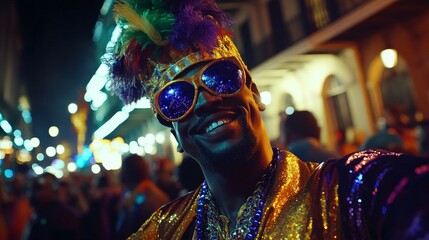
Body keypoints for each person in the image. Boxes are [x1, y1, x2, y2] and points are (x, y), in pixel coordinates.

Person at [103, 0, 429, 238]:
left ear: (254, 91)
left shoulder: (350, 192)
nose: (205, 100)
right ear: (174, 133)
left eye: (219, 76)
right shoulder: (161, 233)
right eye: (177, 99)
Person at [115, 154, 170, 240]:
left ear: (129, 171)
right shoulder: (131, 192)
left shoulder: (152, 198)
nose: (119, 173)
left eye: (123, 169)